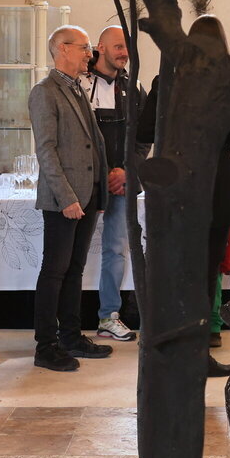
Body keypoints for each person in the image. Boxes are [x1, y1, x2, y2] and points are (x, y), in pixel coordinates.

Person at [138, 15, 230, 376]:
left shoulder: (165, 82)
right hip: (213, 193)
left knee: (173, 271)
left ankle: (168, 352)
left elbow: (143, 130)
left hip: (174, 191)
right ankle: (197, 357)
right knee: (205, 276)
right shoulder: (228, 87)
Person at [29, 25, 110, 373]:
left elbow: (93, 143)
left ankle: (71, 337)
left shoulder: (77, 88)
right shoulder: (44, 92)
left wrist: (99, 193)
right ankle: (45, 347)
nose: (90, 54)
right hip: (64, 198)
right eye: (84, 47)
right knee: (54, 271)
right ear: (62, 49)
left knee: (75, 269)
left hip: (87, 195)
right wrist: (66, 197)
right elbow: (46, 151)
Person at [85, 25, 135, 343]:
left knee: (116, 250)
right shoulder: (79, 84)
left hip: (121, 184)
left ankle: (108, 317)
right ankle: (66, 321)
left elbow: (143, 137)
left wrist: (127, 171)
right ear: (100, 47)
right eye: (118, 46)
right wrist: (100, 174)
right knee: (71, 255)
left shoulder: (134, 87)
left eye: (127, 47)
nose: (124, 53)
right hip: (86, 182)